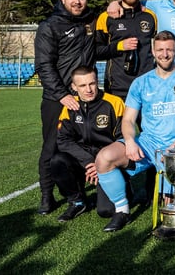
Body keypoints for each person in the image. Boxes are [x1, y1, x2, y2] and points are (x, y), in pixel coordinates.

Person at [95, 31, 175, 232]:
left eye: (169, 50)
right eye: (160, 50)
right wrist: (129, 140)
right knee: (104, 158)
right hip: (149, 143)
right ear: (153, 52)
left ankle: (172, 197)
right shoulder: (140, 83)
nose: (165, 54)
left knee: (171, 208)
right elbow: (128, 119)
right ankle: (122, 210)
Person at [34, 0, 97, 214]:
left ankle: (78, 194)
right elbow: (43, 65)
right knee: (51, 148)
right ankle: (46, 196)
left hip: (84, 97)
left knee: (83, 145)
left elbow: (96, 50)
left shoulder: (90, 22)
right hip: (56, 99)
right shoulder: (50, 26)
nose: (78, 2)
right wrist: (62, 95)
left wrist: (119, 45)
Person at [51, 66, 126, 222]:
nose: (89, 89)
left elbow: (123, 139)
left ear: (97, 81)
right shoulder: (70, 107)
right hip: (84, 158)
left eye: (92, 83)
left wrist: (101, 163)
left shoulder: (114, 103)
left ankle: (125, 187)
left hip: (108, 160)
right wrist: (89, 162)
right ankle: (77, 201)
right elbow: (63, 140)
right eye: (82, 86)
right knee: (57, 160)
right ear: (73, 87)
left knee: (107, 211)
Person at [95, 0, 157, 98]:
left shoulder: (150, 16)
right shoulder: (106, 17)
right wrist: (119, 46)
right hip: (117, 88)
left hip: (147, 86)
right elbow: (96, 51)